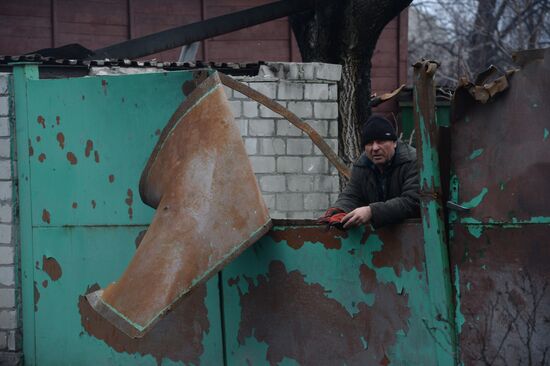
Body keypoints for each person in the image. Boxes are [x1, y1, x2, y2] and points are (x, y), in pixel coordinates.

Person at [318, 115, 420, 229]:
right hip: (381, 237)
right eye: (369, 143)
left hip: (416, 233)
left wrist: (371, 211)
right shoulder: (362, 165)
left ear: (394, 143)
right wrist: (339, 210)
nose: (375, 148)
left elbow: (412, 202)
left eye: (380, 141)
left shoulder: (414, 161)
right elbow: (352, 195)